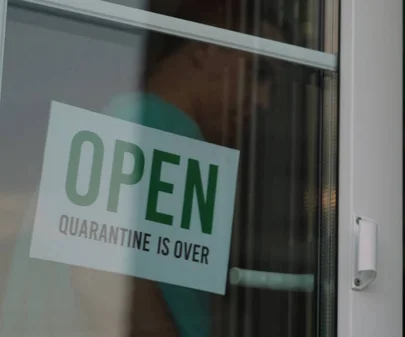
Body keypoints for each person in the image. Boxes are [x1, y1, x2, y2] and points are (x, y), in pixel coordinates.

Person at [0, 0, 286, 336]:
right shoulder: (147, 128)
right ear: (208, 46)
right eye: (260, 71)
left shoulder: (138, 129)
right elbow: (102, 282)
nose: (266, 100)